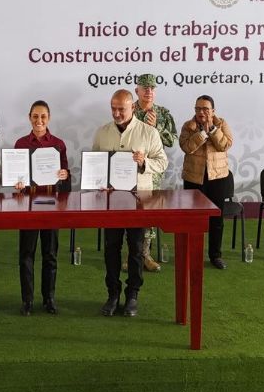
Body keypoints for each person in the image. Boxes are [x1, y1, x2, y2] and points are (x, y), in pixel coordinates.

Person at [92, 89, 168, 317]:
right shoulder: (102, 132)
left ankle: (132, 295)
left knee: (136, 250)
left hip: (139, 202)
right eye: (113, 108)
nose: (116, 113)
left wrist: (144, 162)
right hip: (111, 202)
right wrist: (99, 181)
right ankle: (112, 294)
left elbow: (162, 162)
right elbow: (95, 164)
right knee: (111, 249)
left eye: (121, 109)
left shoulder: (149, 132)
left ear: (132, 107)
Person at [13, 100, 70, 316]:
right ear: (29, 117)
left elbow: (65, 176)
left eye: (43, 116)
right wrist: (17, 183)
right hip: (28, 205)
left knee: (50, 254)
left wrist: (65, 175)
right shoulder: (21, 144)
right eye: (35, 116)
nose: (39, 121)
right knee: (26, 254)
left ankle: (49, 298)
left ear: (49, 118)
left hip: (51, 205)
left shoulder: (58, 144)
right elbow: (16, 175)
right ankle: (27, 300)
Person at [178, 95, 233, 270]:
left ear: (213, 111)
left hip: (217, 177)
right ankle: (193, 253)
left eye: (205, 109)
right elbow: (186, 147)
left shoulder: (222, 124)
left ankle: (215, 255)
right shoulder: (188, 126)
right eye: (198, 109)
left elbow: (225, 145)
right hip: (194, 178)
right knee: (193, 219)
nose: (201, 112)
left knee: (216, 219)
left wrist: (213, 131)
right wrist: (202, 134)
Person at [132, 73, 178, 272]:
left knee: (149, 213)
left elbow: (171, 141)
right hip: (130, 170)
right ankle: (131, 254)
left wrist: (156, 127)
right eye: (145, 88)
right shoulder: (128, 110)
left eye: (152, 88)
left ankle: (145, 254)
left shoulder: (163, 113)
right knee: (129, 212)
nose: (149, 91)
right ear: (137, 90)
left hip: (153, 172)